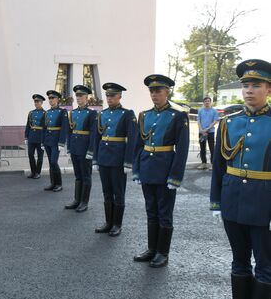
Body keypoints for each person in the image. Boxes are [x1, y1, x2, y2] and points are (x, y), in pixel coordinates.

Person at [210, 59, 271, 299]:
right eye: (246, 85)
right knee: (239, 261)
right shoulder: (228, 122)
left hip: (264, 203)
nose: (248, 90)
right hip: (232, 200)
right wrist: (216, 201)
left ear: (268, 89)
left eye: (256, 85)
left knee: (266, 266)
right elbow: (218, 166)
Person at [132, 74, 189, 268]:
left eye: (158, 91)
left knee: (164, 212)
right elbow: (139, 145)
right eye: (152, 91)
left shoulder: (178, 115)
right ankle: (151, 249)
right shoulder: (144, 115)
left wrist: (175, 176)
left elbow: (182, 149)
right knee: (151, 210)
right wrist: (137, 170)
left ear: (167, 92)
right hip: (148, 166)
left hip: (165, 168)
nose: (154, 94)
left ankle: (163, 252)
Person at [91, 83, 137, 236]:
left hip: (118, 158)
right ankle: (108, 222)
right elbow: (97, 137)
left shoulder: (128, 114)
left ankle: (117, 224)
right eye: (108, 96)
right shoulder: (102, 114)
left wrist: (128, 162)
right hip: (104, 157)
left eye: (112, 95)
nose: (109, 98)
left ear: (119, 96)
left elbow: (132, 139)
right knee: (107, 192)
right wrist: (95, 159)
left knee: (118, 192)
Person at [65, 85, 97, 212]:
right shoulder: (72, 113)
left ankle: (84, 202)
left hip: (85, 148)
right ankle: (76, 200)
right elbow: (69, 131)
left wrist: (90, 151)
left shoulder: (92, 113)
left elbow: (94, 133)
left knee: (86, 176)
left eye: (81, 96)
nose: (78, 98)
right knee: (78, 175)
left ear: (86, 97)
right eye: (77, 96)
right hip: (75, 147)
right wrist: (69, 147)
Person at [42, 90, 68, 191]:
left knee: (54, 162)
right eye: (50, 98)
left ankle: (59, 184)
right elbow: (44, 128)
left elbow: (64, 128)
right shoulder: (47, 113)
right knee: (50, 162)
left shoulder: (62, 112)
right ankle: (53, 183)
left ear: (57, 99)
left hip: (56, 141)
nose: (51, 100)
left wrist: (61, 142)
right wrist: (42, 141)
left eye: (53, 98)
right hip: (48, 140)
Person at [24, 94, 46, 179]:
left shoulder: (45, 113)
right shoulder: (31, 113)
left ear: (41, 102)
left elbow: (45, 127)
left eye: (38, 102)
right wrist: (26, 136)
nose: (36, 103)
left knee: (40, 157)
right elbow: (28, 125)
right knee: (30, 155)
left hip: (40, 137)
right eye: (35, 102)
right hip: (31, 137)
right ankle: (33, 172)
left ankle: (38, 172)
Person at [196, 96, 220, 170]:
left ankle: (212, 164)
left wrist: (207, 129)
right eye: (205, 101)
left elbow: (215, 121)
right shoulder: (200, 110)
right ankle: (204, 163)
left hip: (211, 132)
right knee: (202, 148)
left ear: (210, 102)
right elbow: (198, 120)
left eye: (208, 101)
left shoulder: (214, 111)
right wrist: (201, 129)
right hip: (201, 132)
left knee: (212, 148)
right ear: (203, 102)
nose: (207, 102)